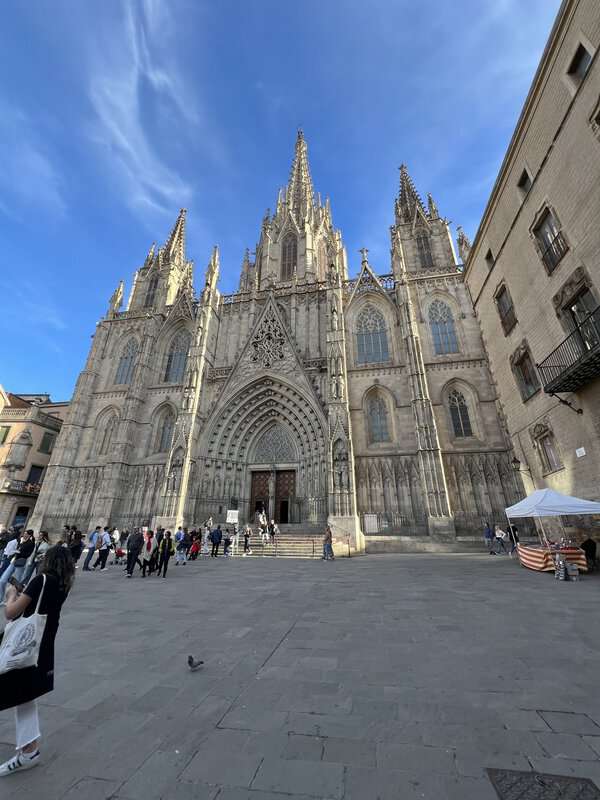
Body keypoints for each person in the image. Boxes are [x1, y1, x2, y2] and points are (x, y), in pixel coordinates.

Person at [0, 544, 74, 776]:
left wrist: (11, 595)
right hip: (40, 647)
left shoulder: (41, 579)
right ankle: (29, 751)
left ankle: (29, 751)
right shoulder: (64, 584)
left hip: (22, 647)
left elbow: (11, 612)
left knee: (19, 693)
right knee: (25, 695)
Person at [0, 530, 36, 599]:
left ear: (29, 535)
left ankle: (12, 600)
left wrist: (19, 552)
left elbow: (28, 554)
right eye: (24, 533)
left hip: (20, 564)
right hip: (13, 561)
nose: (24, 535)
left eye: (26, 534)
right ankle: (1, 598)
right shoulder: (20, 541)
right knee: (2, 580)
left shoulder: (31, 543)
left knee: (16, 584)